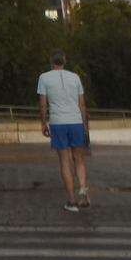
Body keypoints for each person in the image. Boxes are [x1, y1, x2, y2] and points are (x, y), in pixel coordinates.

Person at [38, 50, 91, 212]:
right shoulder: (75, 77)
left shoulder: (44, 78)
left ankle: (72, 201)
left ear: (51, 61)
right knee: (79, 158)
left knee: (64, 161)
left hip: (58, 123)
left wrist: (43, 123)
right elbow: (82, 104)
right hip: (75, 121)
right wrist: (85, 127)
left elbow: (43, 105)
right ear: (65, 61)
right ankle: (82, 186)